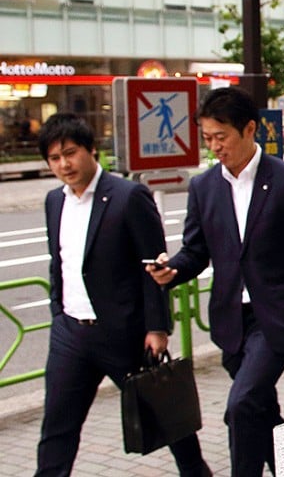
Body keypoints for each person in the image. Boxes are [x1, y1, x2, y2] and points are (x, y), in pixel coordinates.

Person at [147, 86, 284, 477]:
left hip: (276, 318)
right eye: (207, 138)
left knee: (241, 405)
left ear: (249, 129)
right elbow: (195, 251)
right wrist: (172, 270)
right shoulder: (203, 187)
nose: (215, 147)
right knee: (258, 410)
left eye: (221, 136)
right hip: (230, 322)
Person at [34, 113, 209, 477]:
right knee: (57, 428)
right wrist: (57, 312)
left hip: (124, 332)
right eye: (54, 158)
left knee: (165, 415)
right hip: (70, 333)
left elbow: (153, 265)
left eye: (71, 153)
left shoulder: (128, 196)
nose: (64, 164)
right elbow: (59, 262)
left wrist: (157, 328)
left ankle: (196, 472)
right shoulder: (54, 202)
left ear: (91, 150)